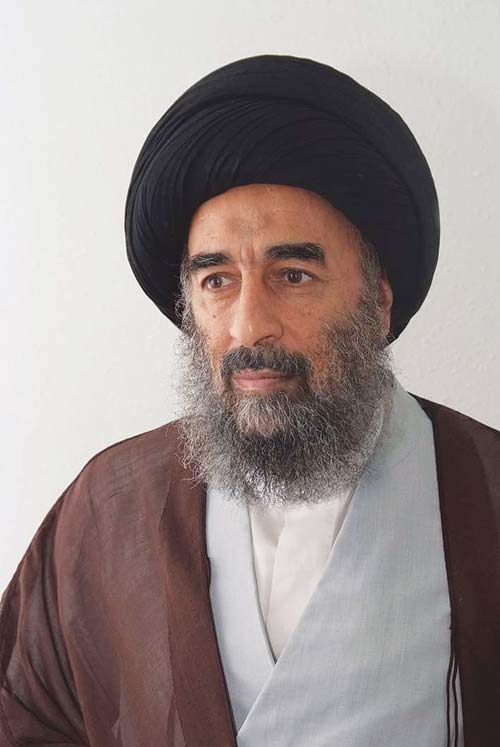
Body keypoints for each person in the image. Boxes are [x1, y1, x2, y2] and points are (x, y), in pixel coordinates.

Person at [1, 54, 499, 747]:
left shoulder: (487, 496)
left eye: (292, 275)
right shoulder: (107, 509)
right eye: (216, 281)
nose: (247, 326)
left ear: (378, 299)